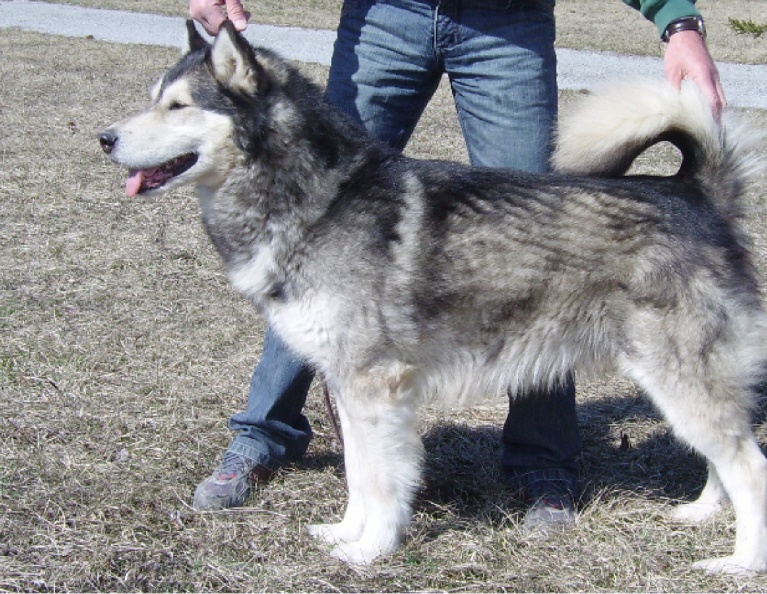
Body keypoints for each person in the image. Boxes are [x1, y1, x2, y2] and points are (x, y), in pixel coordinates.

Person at [188, 0, 726, 534]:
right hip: (384, 17)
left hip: (507, 25)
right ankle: (264, 432)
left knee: (548, 254)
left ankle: (544, 463)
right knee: (314, 238)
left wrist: (674, 18)